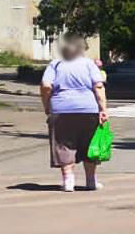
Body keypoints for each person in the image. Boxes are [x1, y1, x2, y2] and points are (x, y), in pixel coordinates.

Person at [39, 34, 108, 192]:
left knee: (63, 144)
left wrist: (47, 105)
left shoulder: (55, 64)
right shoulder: (89, 64)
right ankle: (91, 181)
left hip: (61, 109)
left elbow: (46, 86)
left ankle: (68, 181)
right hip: (88, 109)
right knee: (89, 144)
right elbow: (98, 86)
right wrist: (103, 109)